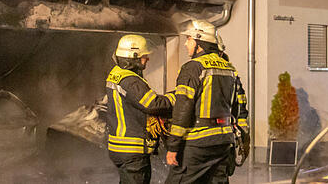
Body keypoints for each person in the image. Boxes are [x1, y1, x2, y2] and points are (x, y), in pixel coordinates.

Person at [165, 20, 249, 183]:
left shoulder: (192, 67)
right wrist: (242, 137)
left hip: (198, 143)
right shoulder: (229, 68)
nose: (186, 44)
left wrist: (173, 146)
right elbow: (241, 106)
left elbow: (183, 109)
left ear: (199, 42)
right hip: (224, 142)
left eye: (189, 39)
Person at [104, 34, 175, 184]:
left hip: (121, 149)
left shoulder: (116, 74)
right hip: (132, 151)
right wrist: (176, 96)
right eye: (144, 56)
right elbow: (153, 104)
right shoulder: (129, 80)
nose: (147, 59)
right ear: (133, 57)